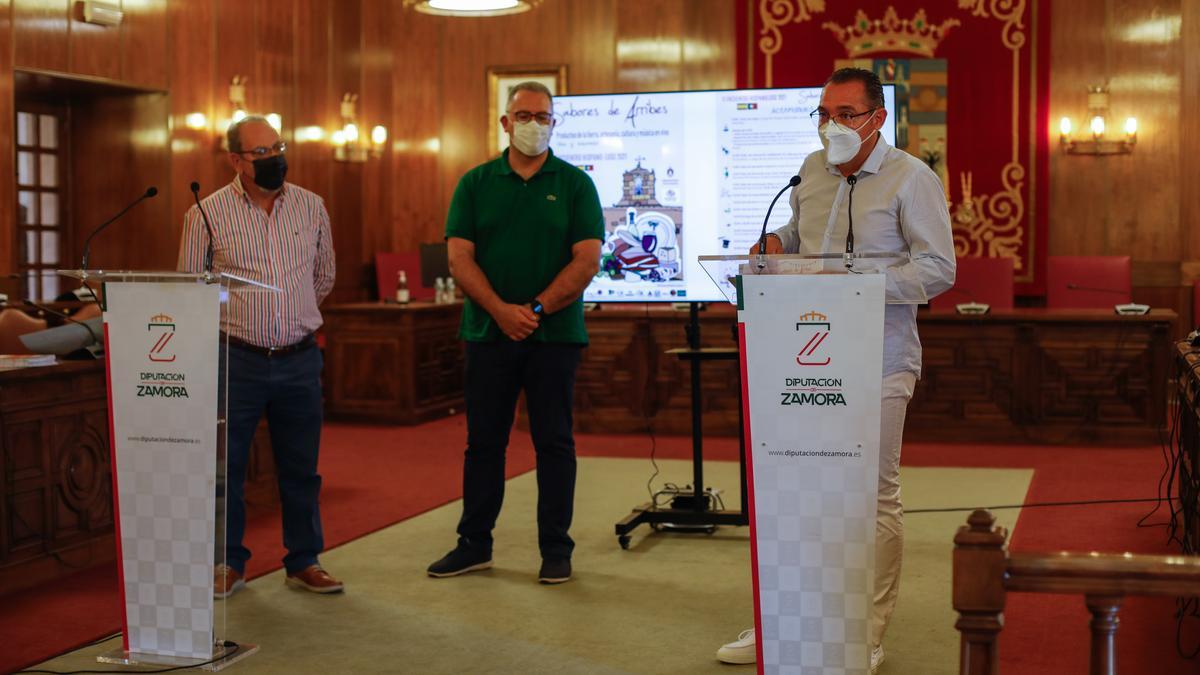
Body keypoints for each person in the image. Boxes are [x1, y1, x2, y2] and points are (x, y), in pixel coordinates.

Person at [716, 67, 955, 672]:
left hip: (878, 357)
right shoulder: (811, 171)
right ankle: (782, 623)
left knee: (873, 495)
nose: (832, 126)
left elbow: (938, 270)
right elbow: (801, 242)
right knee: (796, 490)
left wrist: (860, 284)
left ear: (877, 118)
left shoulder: (912, 178)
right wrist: (775, 245)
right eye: (823, 113)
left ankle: (865, 632)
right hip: (803, 359)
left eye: (846, 114)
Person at [427, 82, 603, 585]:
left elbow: (587, 259)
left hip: (555, 336)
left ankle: (555, 549)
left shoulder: (574, 184)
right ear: (505, 123)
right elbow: (459, 257)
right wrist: (502, 311)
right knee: (484, 443)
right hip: (487, 333)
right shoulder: (475, 182)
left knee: (554, 444)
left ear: (554, 123)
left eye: (543, 116)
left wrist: (537, 308)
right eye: (523, 115)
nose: (533, 124)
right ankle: (474, 544)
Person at [178, 115, 342, 598]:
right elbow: (193, 290)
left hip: (299, 357)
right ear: (236, 161)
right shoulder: (204, 214)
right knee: (225, 468)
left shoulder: (311, 206)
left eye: (279, 147)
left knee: (301, 466)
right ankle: (228, 563)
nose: (274, 158)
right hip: (237, 359)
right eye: (261, 152)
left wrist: (287, 316)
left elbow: (324, 277)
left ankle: (304, 560)